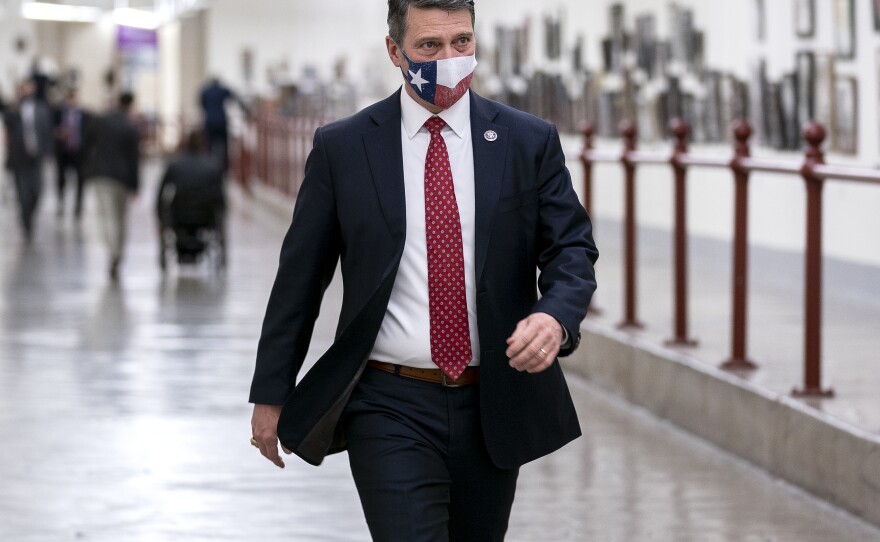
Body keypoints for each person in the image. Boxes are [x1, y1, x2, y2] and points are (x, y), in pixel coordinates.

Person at [248, 1, 598, 540]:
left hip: (493, 403)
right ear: (395, 51)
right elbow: (300, 279)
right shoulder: (344, 148)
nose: (450, 58)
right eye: (429, 47)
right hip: (388, 403)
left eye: (461, 42)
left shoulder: (527, 142)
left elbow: (571, 248)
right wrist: (271, 393)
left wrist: (554, 317)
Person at [82, 92, 140, 281]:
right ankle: (117, 253)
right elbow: (134, 160)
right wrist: (135, 185)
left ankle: (112, 251)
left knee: (106, 216)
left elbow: (86, 143)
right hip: (121, 179)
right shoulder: (129, 127)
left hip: (101, 175)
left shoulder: (101, 121)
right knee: (120, 218)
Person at [155, 129, 226, 268]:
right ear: (203, 145)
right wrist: (220, 219)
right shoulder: (212, 166)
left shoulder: (175, 165)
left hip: (178, 217)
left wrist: (160, 217)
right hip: (205, 218)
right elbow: (221, 198)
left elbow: (161, 193)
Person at [3, 80, 52, 242]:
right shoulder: (14, 110)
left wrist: (47, 152)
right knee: (23, 194)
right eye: (24, 89)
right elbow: (7, 127)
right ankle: (26, 224)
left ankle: (30, 215)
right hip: (19, 159)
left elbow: (46, 131)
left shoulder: (41, 110)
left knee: (37, 191)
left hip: (36, 158)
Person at [53, 89, 90, 219]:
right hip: (63, 152)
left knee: (80, 180)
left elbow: (89, 133)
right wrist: (57, 134)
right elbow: (50, 129)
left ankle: (78, 206)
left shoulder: (85, 115)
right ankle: (61, 203)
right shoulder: (58, 113)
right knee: (61, 179)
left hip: (78, 152)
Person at [199, 76, 247, 173]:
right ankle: (225, 167)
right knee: (224, 144)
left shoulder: (205, 91)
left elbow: (201, 104)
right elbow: (234, 96)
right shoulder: (222, 90)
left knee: (209, 145)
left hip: (209, 121)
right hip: (221, 121)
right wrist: (244, 109)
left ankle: (208, 166)